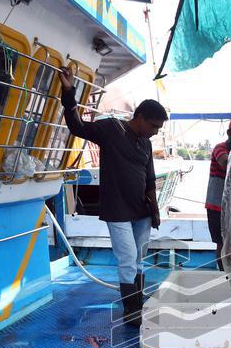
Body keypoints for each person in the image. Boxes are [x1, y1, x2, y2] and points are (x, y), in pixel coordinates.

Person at [58, 67, 167, 326]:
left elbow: (149, 178)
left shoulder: (146, 144)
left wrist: (155, 210)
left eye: (158, 128)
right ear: (139, 117)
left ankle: (137, 304)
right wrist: (69, 91)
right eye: (153, 126)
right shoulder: (111, 129)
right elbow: (77, 126)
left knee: (139, 258)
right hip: (117, 210)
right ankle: (131, 311)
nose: (155, 131)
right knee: (128, 259)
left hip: (141, 211)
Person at [205, 119, 231, 270]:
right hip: (216, 205)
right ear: (230, 132)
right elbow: (226, 163)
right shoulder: (220, 148)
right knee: (222, 242)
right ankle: (224, 273)